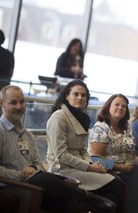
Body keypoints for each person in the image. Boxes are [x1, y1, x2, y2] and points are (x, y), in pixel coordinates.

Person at [0, 85, 116, 213]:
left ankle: (87, 199)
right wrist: (22, 175)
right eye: (13, 103)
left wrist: (33, 169)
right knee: (47, 177)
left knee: (72, 205)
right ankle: (87, 197)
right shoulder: (1, 132)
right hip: (16, 184)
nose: (19, 106)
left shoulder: (27, 135)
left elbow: (39, 165)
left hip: (38, 183)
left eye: (22, 102)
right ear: (2, 104)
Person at [46, 80, 126, 213]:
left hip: (81, 166)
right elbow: (61, 155)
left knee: (111, 197)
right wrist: (90, 166)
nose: (80, 98)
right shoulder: (58, 118)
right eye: (76, 94)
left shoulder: (80, 117)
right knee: (118, 184)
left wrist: (92, 164)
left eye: (83, 95)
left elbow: (83, 148)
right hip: (64, 169)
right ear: (66, 96)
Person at [89, 94, 136, 187]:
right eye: (117, 104)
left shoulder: (126, 128)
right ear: (108, 107)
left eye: (124, 106)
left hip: (128, 170)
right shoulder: (101, 127)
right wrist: (123, 168)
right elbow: (96, 159)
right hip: (110, 171)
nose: (120, 108)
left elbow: (131, 152)